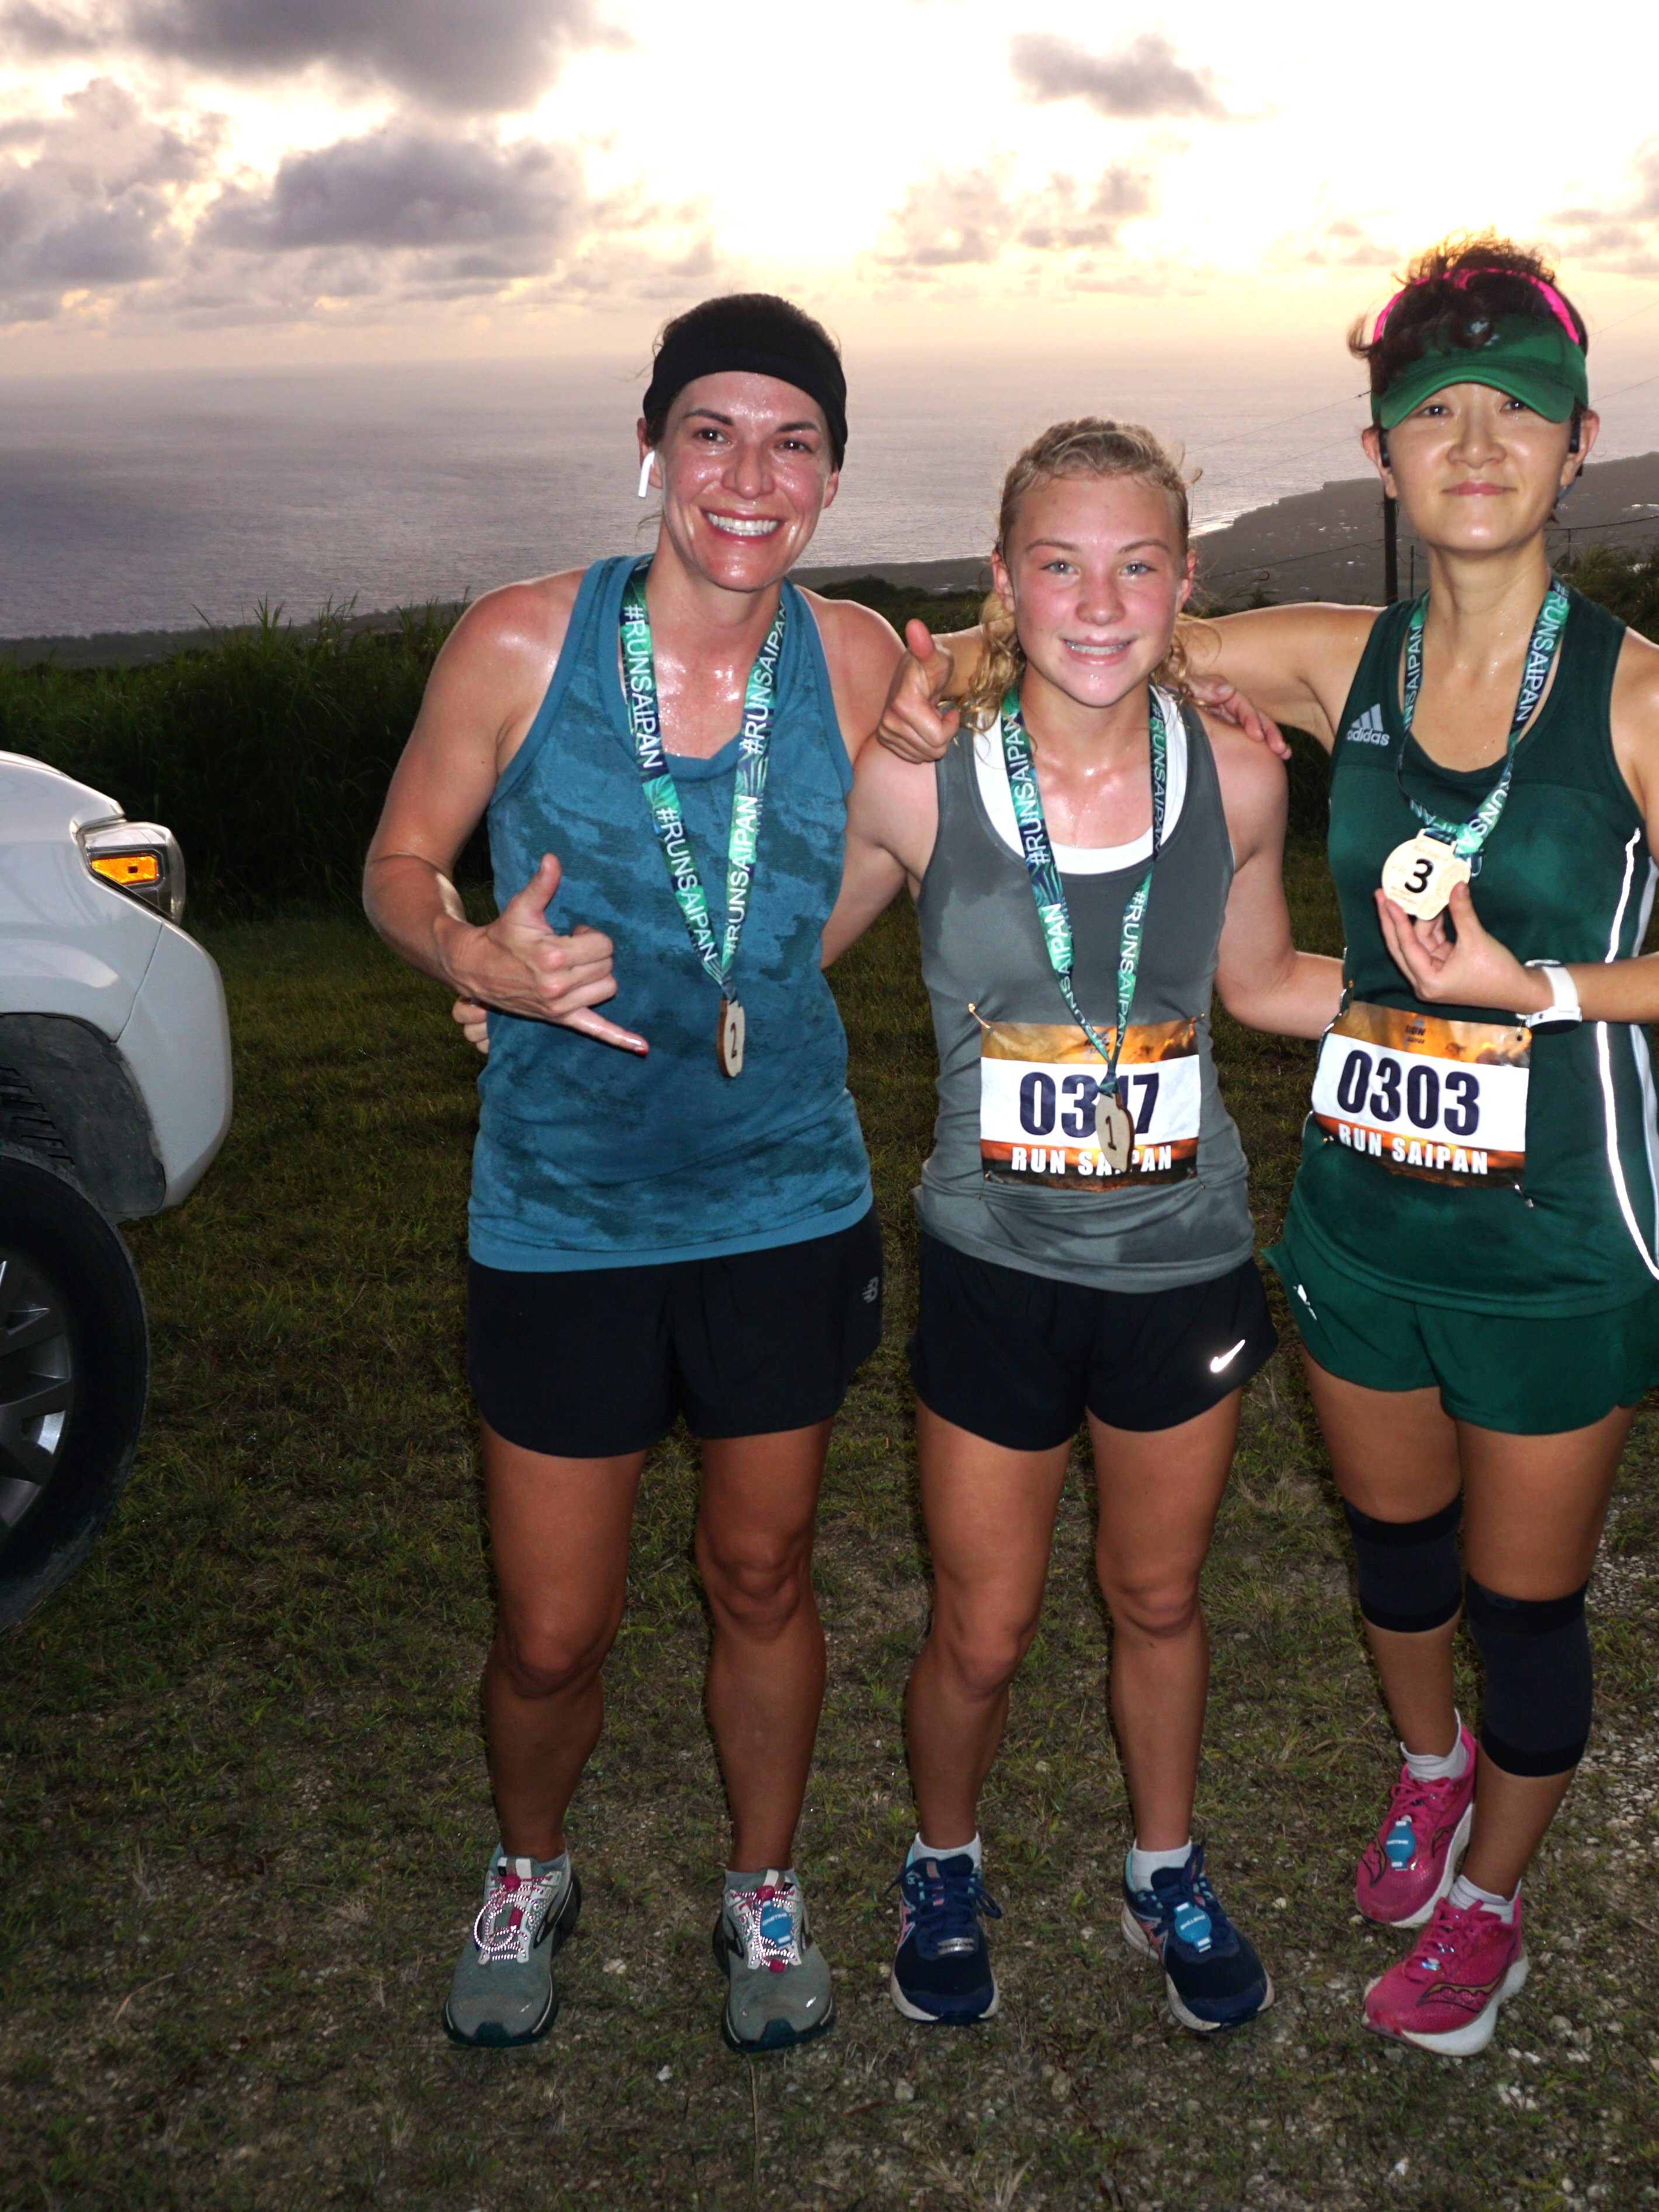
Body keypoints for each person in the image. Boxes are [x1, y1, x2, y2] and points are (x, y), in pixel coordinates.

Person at [877, 235, 1659, 2055]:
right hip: (1359, 1217)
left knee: (1525, 1602)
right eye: (1429, 411)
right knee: (1395, 1556)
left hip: (1549, 1227)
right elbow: (1108, 620)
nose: (1469, 441)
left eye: (1510, 411)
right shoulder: (1335, 661)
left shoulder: (1645, 691)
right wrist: (928, 687)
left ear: (1576, 440)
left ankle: (1491, 1904)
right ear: (1377, 450)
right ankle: (1425, 1768)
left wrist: (1549, 994)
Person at [366, 292, 910, 2054]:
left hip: (781, 1201)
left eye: (794, 439)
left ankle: (764, 1884)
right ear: (653, 448)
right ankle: (531, 1865)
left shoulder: (858, 661)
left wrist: (783, 963)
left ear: (830, 470)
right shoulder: (521, 643)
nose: (750, 476)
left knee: (761, 1577)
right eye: (713, 432)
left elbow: (1037, 710)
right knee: (549, 1625)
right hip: (563, 1214)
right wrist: (473, 963)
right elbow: (393, 863)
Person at [821, 418, 1342, 2032]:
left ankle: (1162, 1868)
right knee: (980, 1624)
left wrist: (1504, 996)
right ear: (1001, 583)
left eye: (1134, 565)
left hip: (1180, 1263)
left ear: (1184, 585)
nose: (1096, 600)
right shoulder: (912, 776)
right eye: (1057, 563)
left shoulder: (1243, 766)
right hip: (992, 1268)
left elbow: (1257, 982)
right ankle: (942, 1863)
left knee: (1159, 1597)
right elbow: (777, 953)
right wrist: (556, 990)